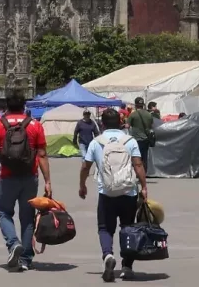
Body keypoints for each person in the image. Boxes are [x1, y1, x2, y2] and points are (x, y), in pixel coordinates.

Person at [0, 92, 52, 272]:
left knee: (3, 212)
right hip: (30, 177)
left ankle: (13, 243)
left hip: (7, 177)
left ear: (7, 106)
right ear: (24, 106)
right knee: (27, 217)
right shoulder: (35, 125)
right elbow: (42, 155)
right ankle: (25, 259)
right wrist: (47, 181)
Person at [79, 108, 148, 282]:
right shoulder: (130, 141)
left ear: (102, 124)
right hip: (128, 192)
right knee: (128, 228)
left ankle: (108, 255)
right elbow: (138, 164)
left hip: (107, 193)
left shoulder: (96, 142)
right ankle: (127, 267)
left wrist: (82, 185)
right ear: (120, 123)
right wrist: (144, 186)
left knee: (105, 228)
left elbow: (86, 166)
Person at [127, 97, 154, 173]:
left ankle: (137, 172)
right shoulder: (149, 115)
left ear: (135, 105)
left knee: (136, 157)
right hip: (146, 139)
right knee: (144, 157)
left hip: (136, 139)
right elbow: (151, 126)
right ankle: (144, 172)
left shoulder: (133, 115)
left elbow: (127, 126)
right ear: (143, 105)